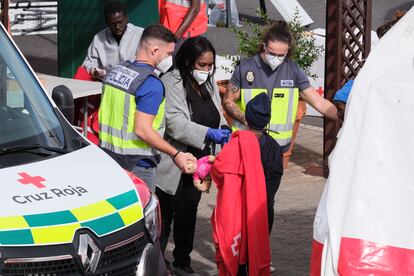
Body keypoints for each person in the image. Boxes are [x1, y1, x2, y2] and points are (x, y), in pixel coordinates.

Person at [155, 36, 229, 275]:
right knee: (164, 215)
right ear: (188, 62)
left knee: (188, 212)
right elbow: (175, 123)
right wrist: (209, 133)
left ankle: (182, 262)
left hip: (199, 162)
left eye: (210, 65)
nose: (206, 70)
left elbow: (218, 111)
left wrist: (225, 130)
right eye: (202, 65)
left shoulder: (208, 83)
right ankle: (156, 263)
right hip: (173, 161)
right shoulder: (171, 82)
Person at [98, 24, 197, 192]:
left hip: (109, 158)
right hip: (137, 164)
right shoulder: (150, 84)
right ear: (154, 51)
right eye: (169, 54)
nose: (170, 59)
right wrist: (176, 154)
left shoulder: (116, 71)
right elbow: (143, 130)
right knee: (142, 215)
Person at [222, 20, 340, 155]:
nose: (276, 58)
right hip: (246, 144)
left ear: (288, 50)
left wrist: (345, 116)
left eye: (281, 55)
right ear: (264, 46)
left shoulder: (293, 71)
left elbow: (319, 102)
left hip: (277, 149)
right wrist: (248, 120)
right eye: (272, 53)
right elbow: (228, 101)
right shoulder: (246, 68)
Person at [82, 2, 144, 80]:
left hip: (135, 84)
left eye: (120, 22)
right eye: (113, 24)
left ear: (126, 18)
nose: (117, 27)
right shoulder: (99, 38)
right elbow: (88, 62)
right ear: (107, 22)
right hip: (108, 84)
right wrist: (94, 71)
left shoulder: (141, 34)